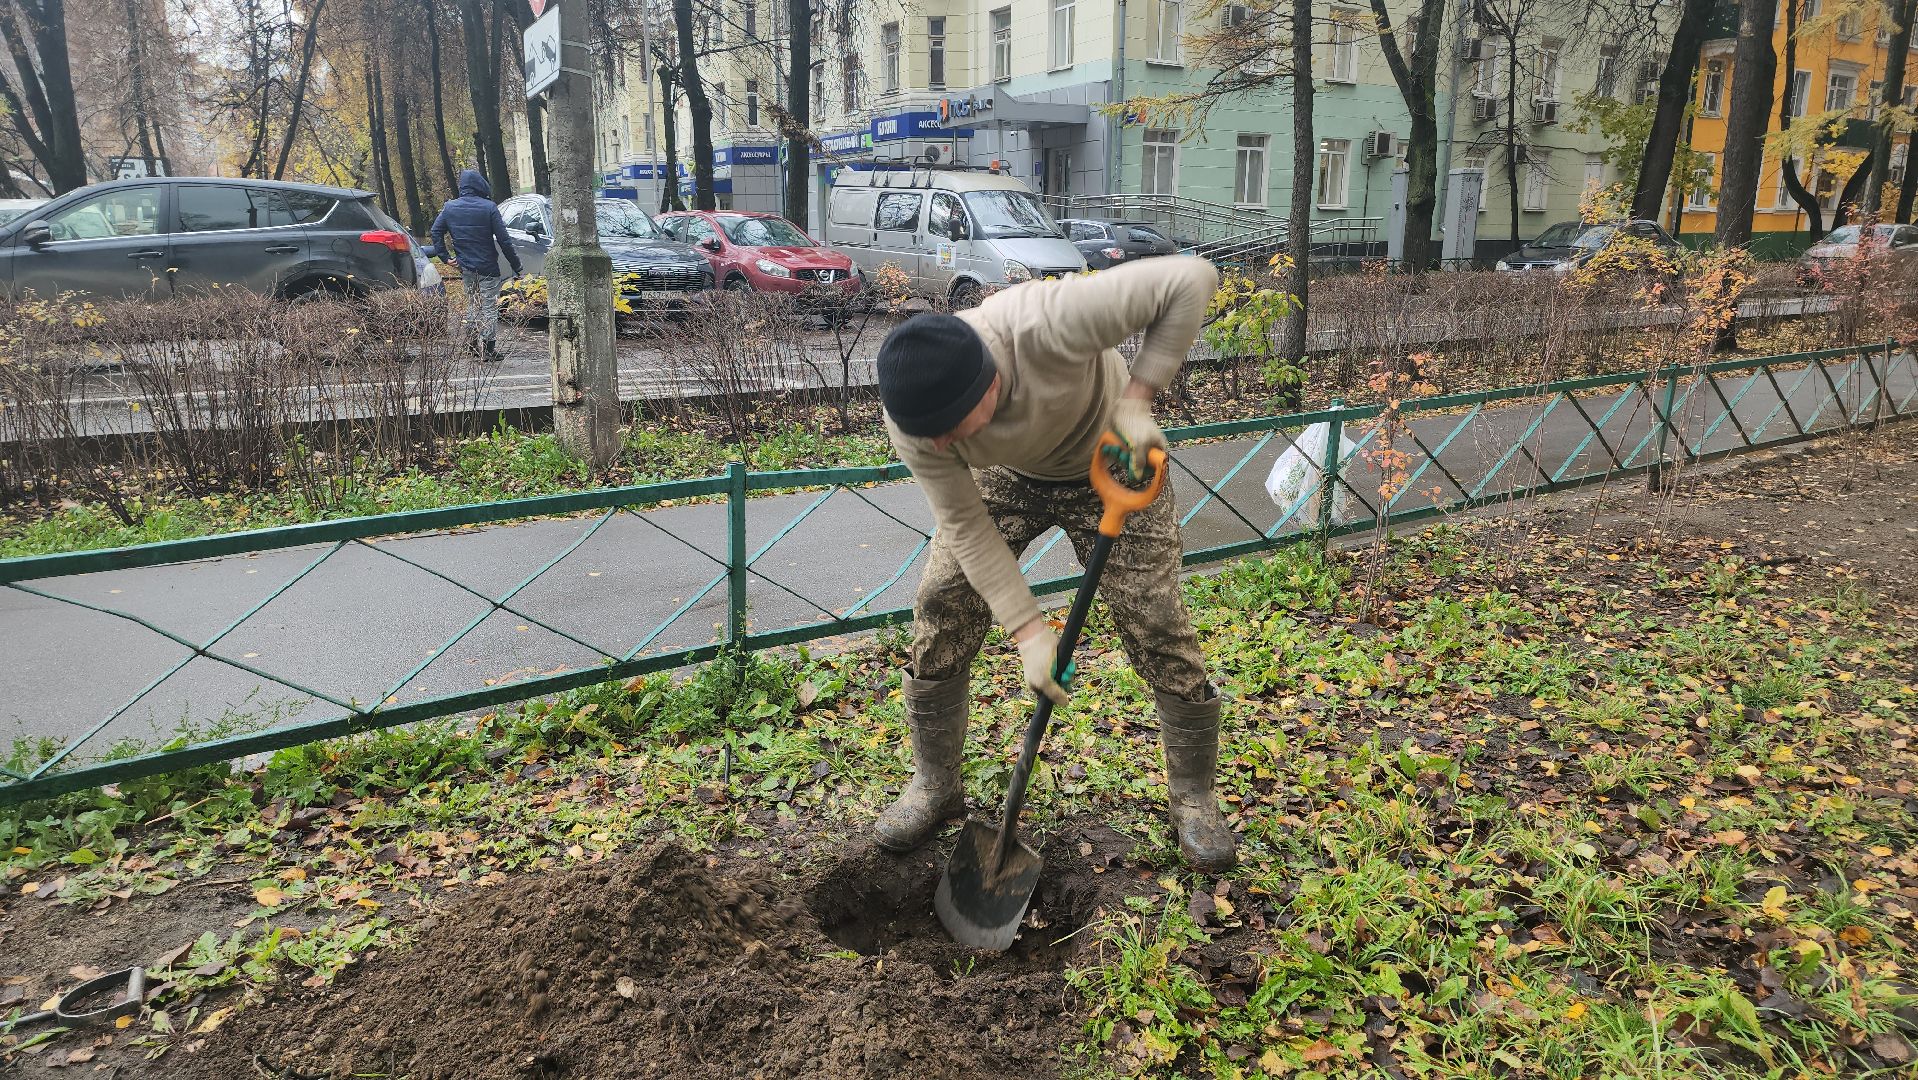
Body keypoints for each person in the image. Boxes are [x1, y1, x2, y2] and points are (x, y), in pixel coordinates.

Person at [872, 255, 1236, 872]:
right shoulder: (917, 423)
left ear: (988, 383)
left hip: (1116, 461)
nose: (938, 447)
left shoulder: (1046, 322)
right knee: (942, 598)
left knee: (1154, 618)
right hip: (1008, 478)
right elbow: (965, 525)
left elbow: (1191, 279)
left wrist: (1139, 395)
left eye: (948, 431)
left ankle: (1194, 794)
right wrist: (1029, 633)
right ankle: (935, 783)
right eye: (925, 436)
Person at [424, 168, 524, 363]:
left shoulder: (450, 207)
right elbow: (504, 240)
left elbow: (436, 231)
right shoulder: (489, 207)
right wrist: (516, 265)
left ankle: (470, 344)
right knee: (488, 307)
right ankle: (487, 349)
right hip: (488, 266)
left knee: (473, 304)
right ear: (480, 186)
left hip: (466, 267)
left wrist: (445, 257)